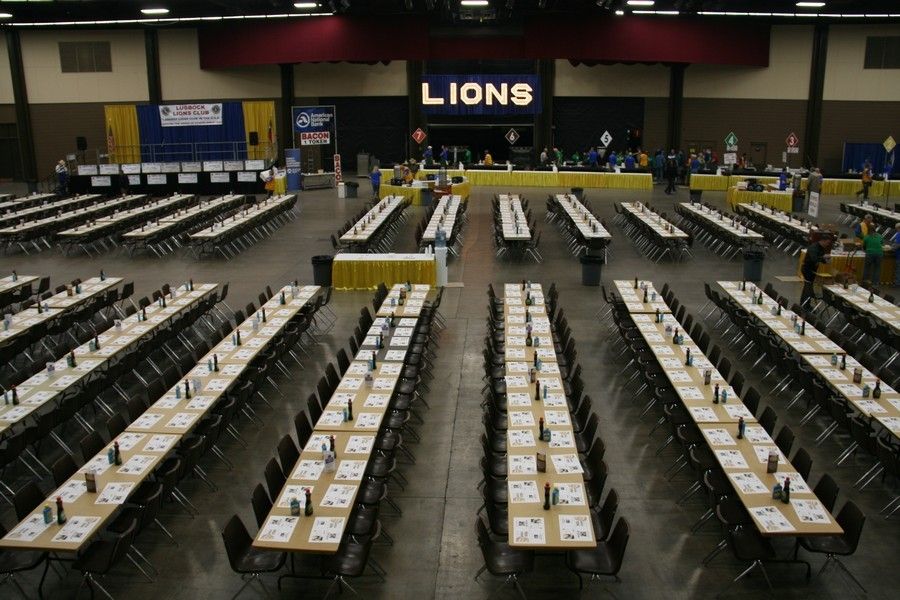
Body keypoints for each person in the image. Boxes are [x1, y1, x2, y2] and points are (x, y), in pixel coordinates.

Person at [801, 235, 833, 307]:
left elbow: (820, 258)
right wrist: (823, 257)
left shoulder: (821, 248)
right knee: (808, 288)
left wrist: (825, 261)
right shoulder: (814, 247)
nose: (828, 245)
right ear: (823, 241)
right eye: (827, 243)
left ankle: (804, 304)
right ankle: (805, 305)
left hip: (812, 270)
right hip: (807, 270)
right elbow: (814, 258)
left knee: (807, 288)